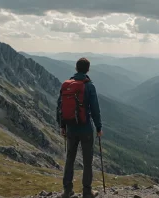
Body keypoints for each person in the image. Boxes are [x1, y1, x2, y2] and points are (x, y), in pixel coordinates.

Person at [57, 57, 103, 198]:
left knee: (70, 158)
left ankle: (67, 190)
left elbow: (60, 107)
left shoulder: (67, 85)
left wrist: (62, 125)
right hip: (86, 129)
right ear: (88, 69)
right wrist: (99, 127)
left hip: (70, 127)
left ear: (76, 68)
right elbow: (95, 109)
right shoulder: (89, 86)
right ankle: (87, 191)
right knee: (87, 160)